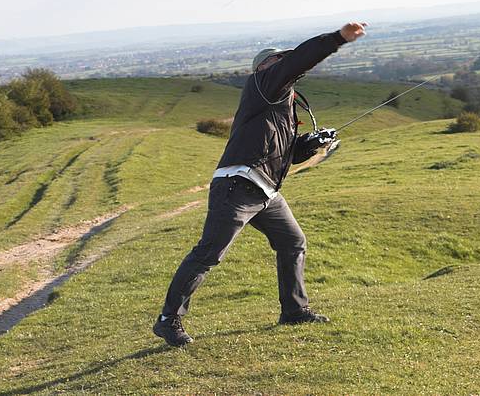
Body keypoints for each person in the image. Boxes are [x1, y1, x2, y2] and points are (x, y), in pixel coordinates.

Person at [153, 22, 368, 346]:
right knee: (209, 254)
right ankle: (169, 320)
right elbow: (298, 61)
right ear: (268, 67)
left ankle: (294, 311)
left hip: (265, 191)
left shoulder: (278, 107)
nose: (285, 64)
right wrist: (337, 39)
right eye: (279, 61)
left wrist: (310, 143)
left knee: (293, 242)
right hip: (237, 187)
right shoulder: (264, 83)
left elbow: (286, 155)